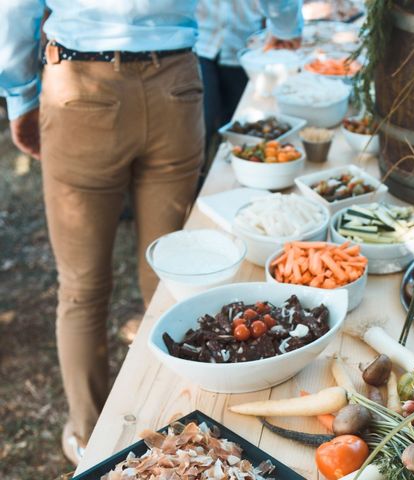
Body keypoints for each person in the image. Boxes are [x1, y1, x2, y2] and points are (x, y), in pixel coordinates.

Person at [0, 0, 302, 465]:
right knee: (173, 281)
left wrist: (19, 95)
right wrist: (285, 23)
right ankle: (181, 431)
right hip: (174, 84)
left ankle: (88, 436)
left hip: (82, 83)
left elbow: (16, 9)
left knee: (82, 289)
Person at [195, 0, 302, 187]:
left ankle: (230, 181)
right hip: (200, 42)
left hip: (242, 44)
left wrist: (283, 29)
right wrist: (287, 29)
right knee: (201, 123)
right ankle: (198, 183)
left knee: (237, 127)